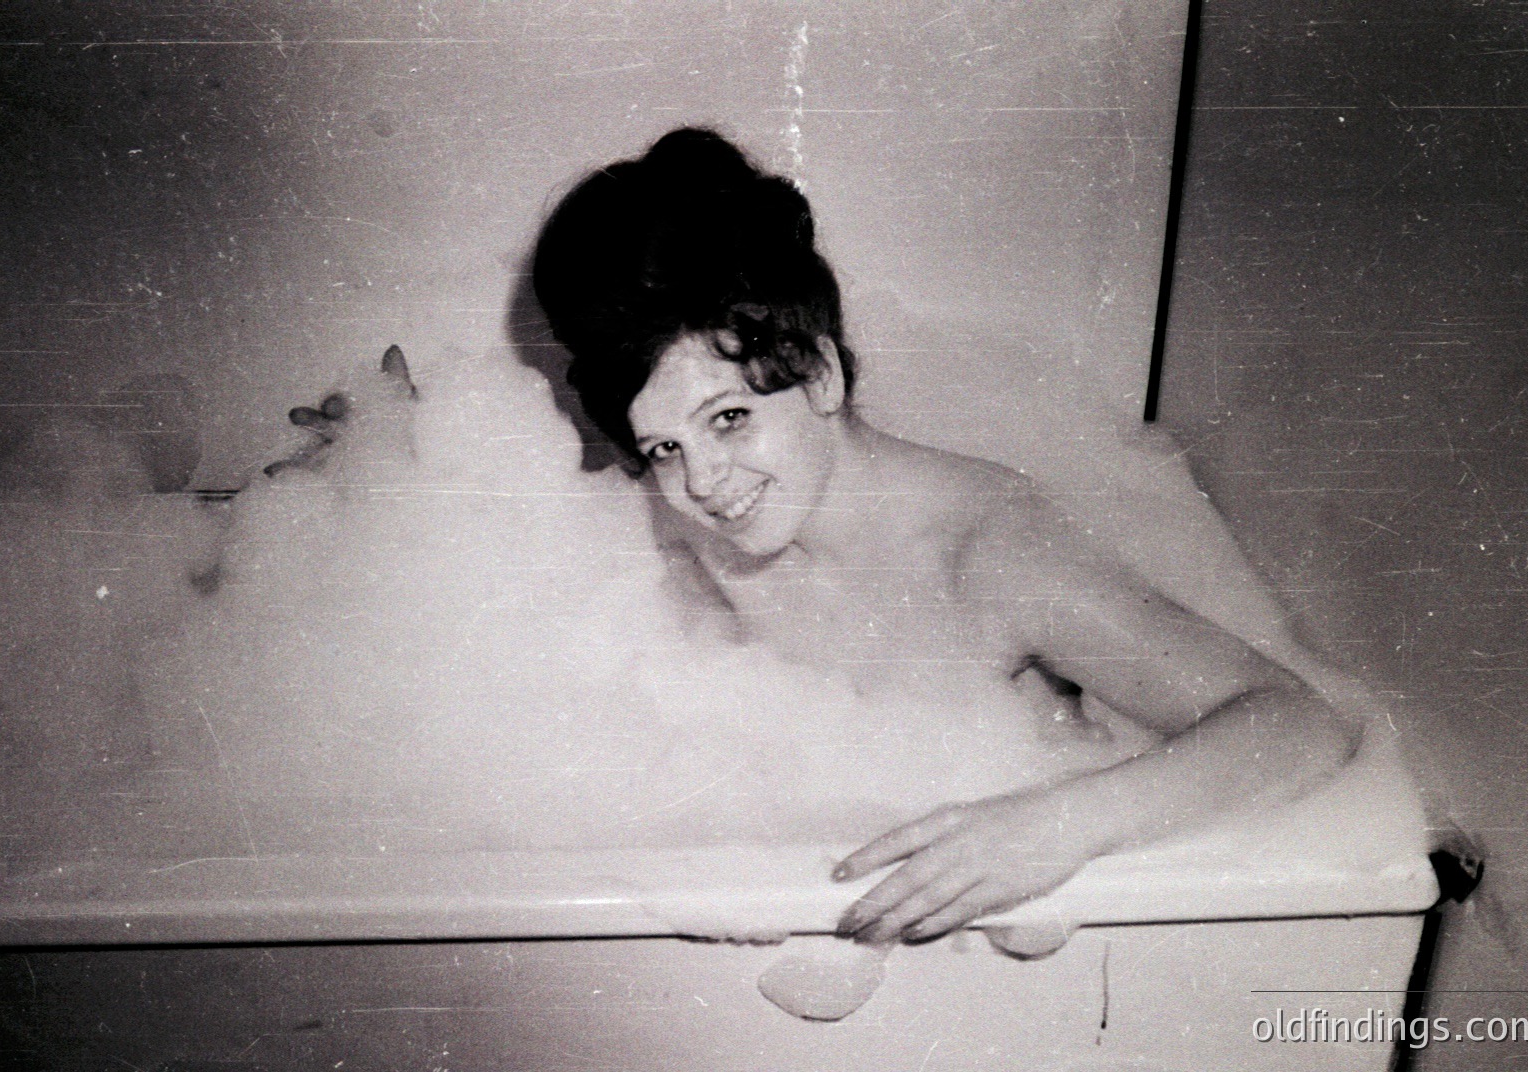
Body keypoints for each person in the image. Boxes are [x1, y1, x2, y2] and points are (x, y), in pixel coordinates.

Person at [531, 128, 1362, 945]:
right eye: (666, 448)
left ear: (819, 372)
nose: (704, 483)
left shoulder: (991, 554)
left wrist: (1057, 826)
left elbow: (1300, 725)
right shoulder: (725, 528)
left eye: (731, 418)